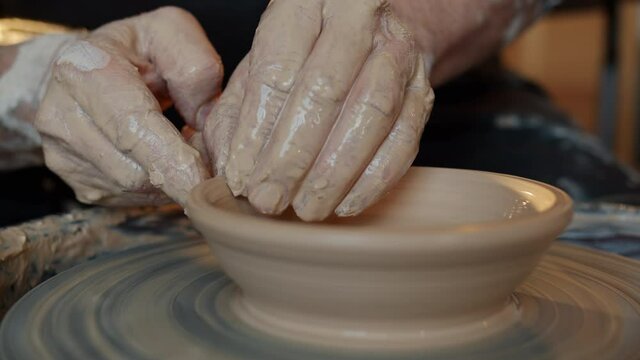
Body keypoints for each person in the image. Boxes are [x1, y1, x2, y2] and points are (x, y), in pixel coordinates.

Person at [4, 0, 634, 224]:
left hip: (419, 79)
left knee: (598, 228)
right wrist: (32, 79)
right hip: (89, 96)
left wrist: (413, 23)